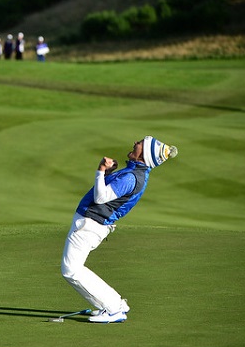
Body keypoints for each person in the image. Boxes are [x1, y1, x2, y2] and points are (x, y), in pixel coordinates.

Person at [60, 136, 178, 323]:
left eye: (139, 143)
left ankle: (113, 309)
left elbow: (100, 198)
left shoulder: (132, 177)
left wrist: (100, 171)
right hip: (93, 224)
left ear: (144, 155)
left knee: (71, 269)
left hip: (90, 225)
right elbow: (109, 195)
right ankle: (115, 304)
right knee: (74, 268)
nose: (135, 143)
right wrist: (107, 174)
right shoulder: (134, 172)